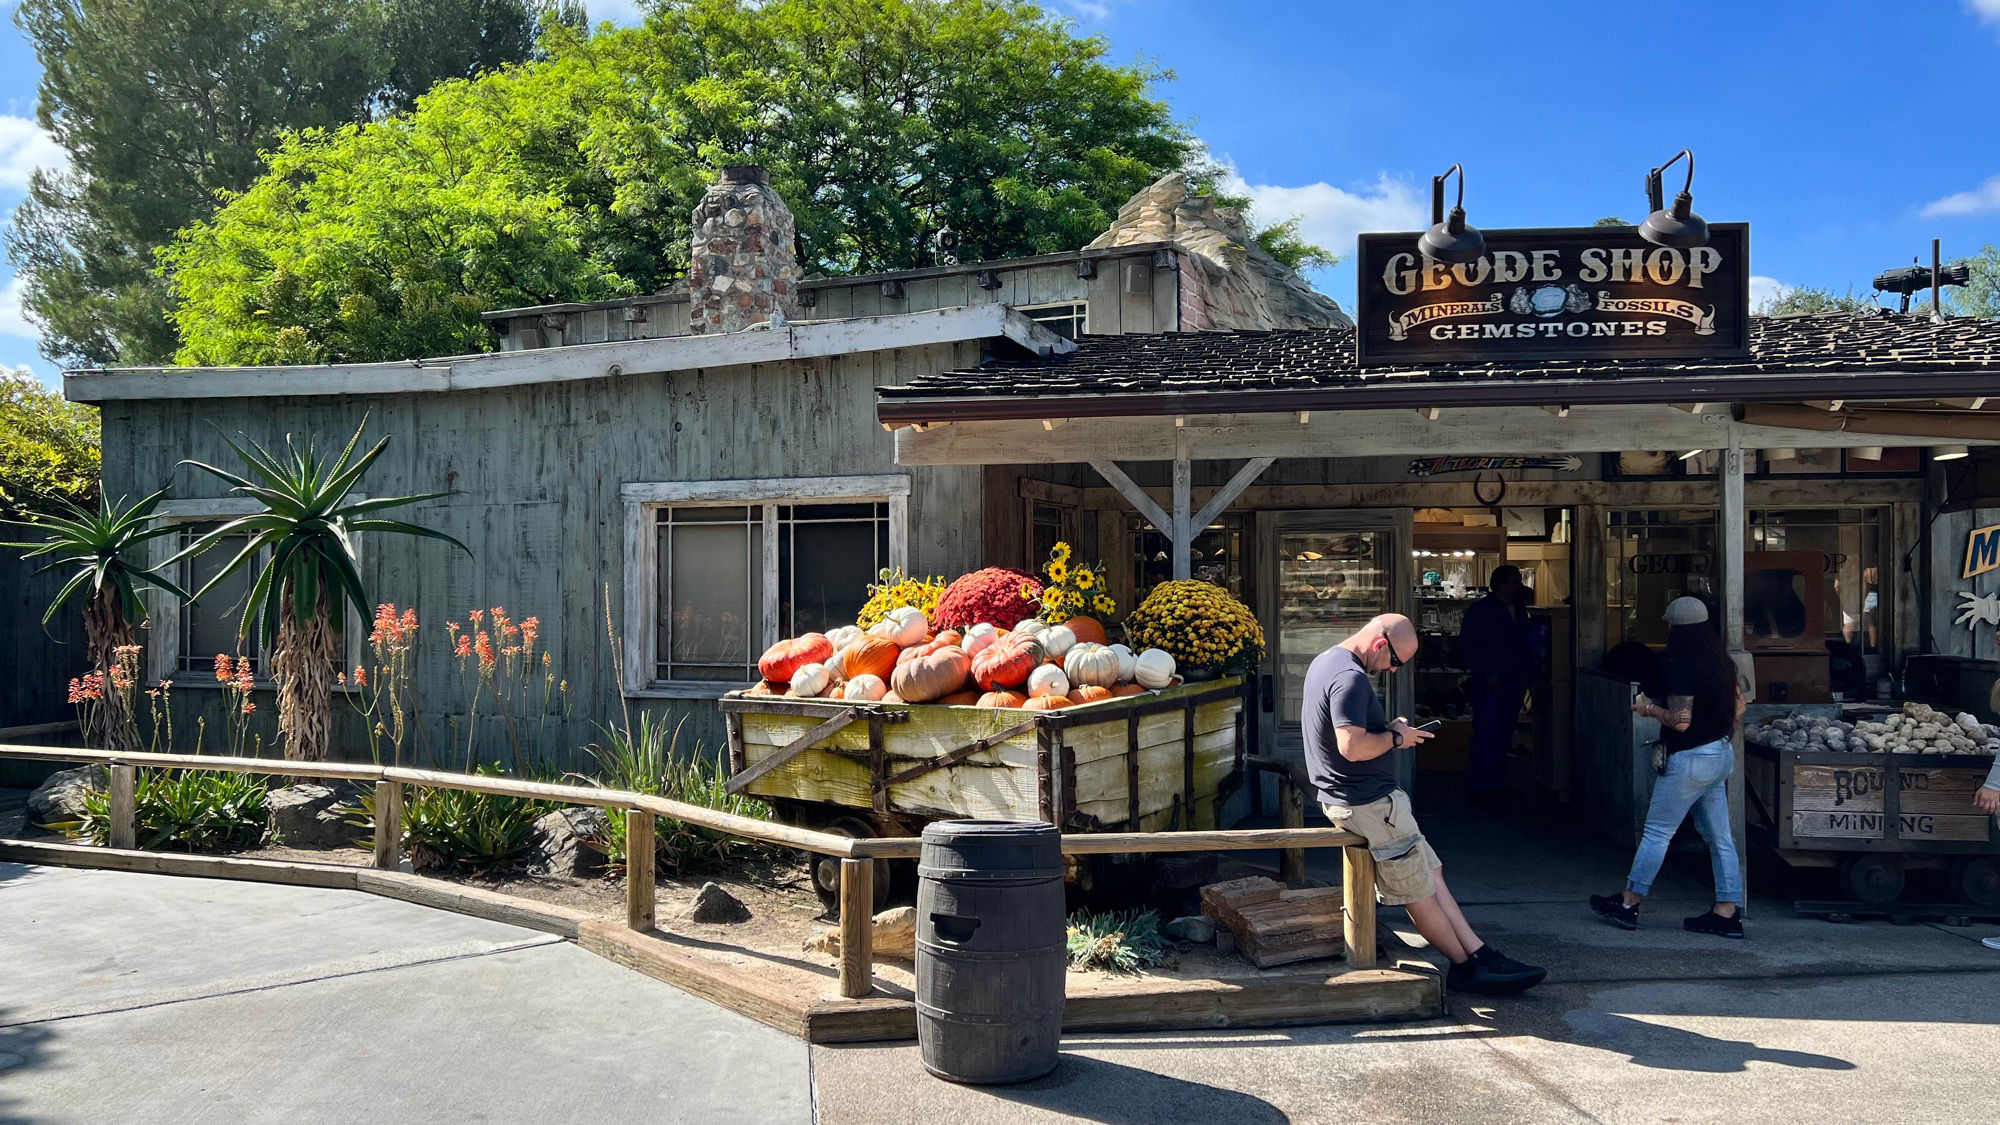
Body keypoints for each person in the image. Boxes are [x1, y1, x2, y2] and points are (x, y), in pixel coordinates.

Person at [1304, 614, 1547, 995]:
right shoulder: (1349, 677)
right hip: (1366, 803)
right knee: (1417, 887)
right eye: (1395, 662)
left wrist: (1390, 731)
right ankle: (1465, 966)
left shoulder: (1327, 660)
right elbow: (1351, 746)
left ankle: (1479, 952)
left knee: (1431, 873)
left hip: (1367, 801)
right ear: (1381, 645)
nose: (1394, 671)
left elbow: (1356, 738)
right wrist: (1397, 739)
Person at [1590, 596, 1746, 938]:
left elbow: (1680, 722)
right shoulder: (1722, 662)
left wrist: (1649, 710)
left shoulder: (1678, 663)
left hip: (1690, 759)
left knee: (1657, 833)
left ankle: (1629, 903)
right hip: (1719, 754)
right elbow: (1739, 707)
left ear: (1674, 627)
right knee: (1720, 838)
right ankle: (1726, 912)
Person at [1458, 565, 1534, 802]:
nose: (1517, 586)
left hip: (1513, 676)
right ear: (1501, 584)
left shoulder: (1518, 610)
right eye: (1513, 582)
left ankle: (1496, 783)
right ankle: (1481, 786)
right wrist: (1487, 672)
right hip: (1490, 679)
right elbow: (1470, 645)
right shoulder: (1481, 611)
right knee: (1487, 731)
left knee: (1503, 730)